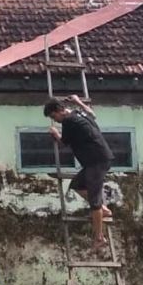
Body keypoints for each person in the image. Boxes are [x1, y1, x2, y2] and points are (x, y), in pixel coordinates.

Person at [45, 94, 113, 251]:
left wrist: (55, 134)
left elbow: (63, 143)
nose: (55, 120)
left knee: (94, 203)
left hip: (96, 161)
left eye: (54, 116)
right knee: (77, 184)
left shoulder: (69, 121)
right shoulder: (78, 112)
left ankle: (99, 238)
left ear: (60, 110)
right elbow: (92, 114)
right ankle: (104, 210)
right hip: (97, 159)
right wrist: (78, 101)